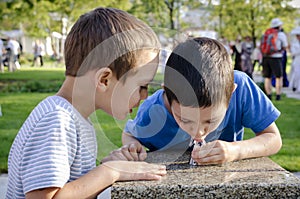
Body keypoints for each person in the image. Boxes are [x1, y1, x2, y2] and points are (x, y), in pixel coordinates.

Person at [6, 7, 166, 199]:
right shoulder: (56, 120)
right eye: (142, 86)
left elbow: (73, 189)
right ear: (104, 79)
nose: (145, 96)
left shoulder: (75, 119)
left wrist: (112, 165)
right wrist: (110, 171)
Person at [121, 37, 282, 166]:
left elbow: (273, 138)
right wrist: (134, 148)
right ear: (167, 95)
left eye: (210, 120)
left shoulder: (241, 87)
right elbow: (129, 135)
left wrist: (236, 150)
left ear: (231, 93)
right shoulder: (153, 110)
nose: (198, 132)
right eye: (184, 119)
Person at [261, 18, 288, 100]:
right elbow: (285, 46)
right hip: (276, 58)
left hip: (266, 57)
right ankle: (278, 95)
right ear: (279, 26)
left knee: (267, 77)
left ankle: (268, 95)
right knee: (278, 77)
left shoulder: (265, 33)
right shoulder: (281, 35)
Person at [289, 27, 300, 93]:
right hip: (297, 60)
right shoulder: (294, 44)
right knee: (296, 74)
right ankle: (294, 86)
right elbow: (293, 53)